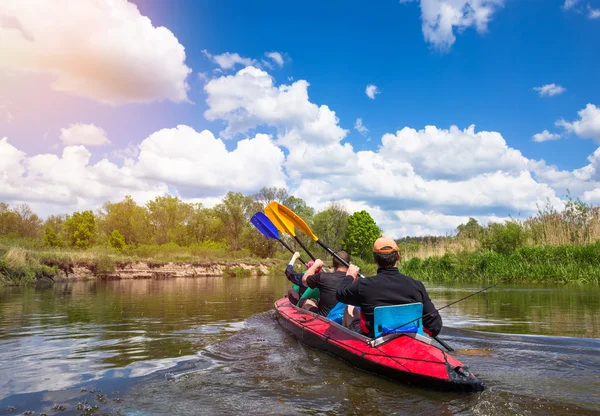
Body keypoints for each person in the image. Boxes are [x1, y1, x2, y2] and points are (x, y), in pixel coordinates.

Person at [336, 237, 442, 338]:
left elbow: (340, 294)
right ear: (398, 257)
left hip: (375, 340)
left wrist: (350, 276)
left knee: (349, 309)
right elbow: (435, 327)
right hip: (411, 339)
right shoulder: (417, 285)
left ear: (374, 260)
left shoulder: (363, 285)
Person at [299, 250, 350, 317]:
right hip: (344, 320)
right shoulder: (355, 281)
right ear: (348, 264)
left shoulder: (323, 277)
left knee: (305, 301)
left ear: (333, 264)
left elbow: (304, 280)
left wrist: (315, 265)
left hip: (324, 318)